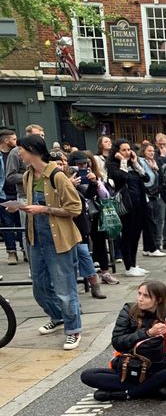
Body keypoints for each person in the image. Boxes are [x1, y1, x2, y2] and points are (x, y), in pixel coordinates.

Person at [6, 134, 84, 350]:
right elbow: (32, 204)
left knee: (64, 288)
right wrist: (19, 206)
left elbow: (75, 209)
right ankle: (57, 316)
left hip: (58, 239)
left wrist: (44, 209)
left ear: (32, 150)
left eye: (21, 150)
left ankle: (73, 329)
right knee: (39, 287)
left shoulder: (57, 176)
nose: (19, 153)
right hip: (35, 238)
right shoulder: (28, 176)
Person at [81, 280, 166, 401]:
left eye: (146, 296)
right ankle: (153, 389)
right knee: (88, 375)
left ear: (158, 300)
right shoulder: (128, 310)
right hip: (129, 368)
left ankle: (126, 394)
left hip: (158, 370)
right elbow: (118, 342)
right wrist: (147, 333)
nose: (140, 298)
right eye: (139, 293)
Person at [64, 151, 108, 299]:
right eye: (79, 164)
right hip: (66, 221)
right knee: (70, 259)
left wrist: (94, 182)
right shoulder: (61, 178)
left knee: (84, 253)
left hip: (81, 220)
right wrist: (69, 185)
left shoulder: (83, 177)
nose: (82, 167)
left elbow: (87, 196)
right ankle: (72, 291)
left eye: (84, 164)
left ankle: (95, 285)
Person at [105, 139, 151, 278]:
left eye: (128, 149)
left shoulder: (133, 164)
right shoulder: (112, 165)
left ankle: (134, 264)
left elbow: (146, 178)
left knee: (136, 235)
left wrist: (136, 163)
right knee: (127, 235)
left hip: (140, 203)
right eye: (123, 150)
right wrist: (122, 161)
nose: (127, 152)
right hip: (126, 205)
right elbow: (122, 177)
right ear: (117, 151)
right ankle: (128, 266)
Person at [0, 127, 23, 265]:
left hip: (18, 193)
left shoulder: (17, 153)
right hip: (3, 194)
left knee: (21, 222)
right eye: (14, 139)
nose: (16, 141)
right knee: (7, 224)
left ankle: (24, 249)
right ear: (6, 140)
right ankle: (11, 252)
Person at [139, 143, 166, 258]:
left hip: (155, 194)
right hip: (147, 194)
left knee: (152, 222)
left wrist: (156, 170)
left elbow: (159, 178)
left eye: (153, 151)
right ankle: (152, 247)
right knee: (151, 222)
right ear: (143, 151)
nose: (152, 153)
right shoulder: (141, 162)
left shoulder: (154, 163)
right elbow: (145, 178)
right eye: (149, 151)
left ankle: (148, 248)